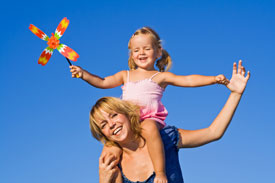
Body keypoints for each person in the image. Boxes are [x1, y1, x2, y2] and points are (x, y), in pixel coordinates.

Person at [70, 27, 229, 183]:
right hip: (130, 121)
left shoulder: (159, 77)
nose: (141, 53)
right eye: (136, 50)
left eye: (146, 48)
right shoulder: (125, 75)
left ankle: (159, 172)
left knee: (148, 127)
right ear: (131, 55)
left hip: (150, 119)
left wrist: (213, 79)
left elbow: (187, 80)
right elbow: (103, 82)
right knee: (109, 151)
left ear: (158, 52)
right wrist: (84, 74)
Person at [89, 60, 250, 183]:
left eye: (114, 115)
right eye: (103, 125)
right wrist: (104, 179)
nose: (111, 124)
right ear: (102, 133)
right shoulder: (114, 164)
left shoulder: (165, 137)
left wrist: (235, 94)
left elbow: (213, 132)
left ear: (126, 113)